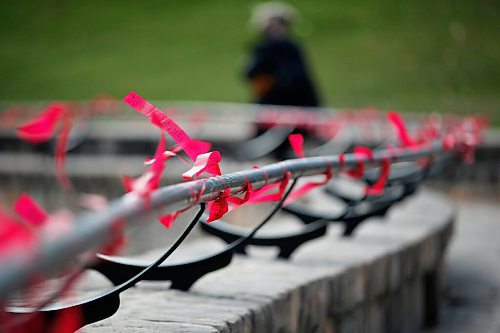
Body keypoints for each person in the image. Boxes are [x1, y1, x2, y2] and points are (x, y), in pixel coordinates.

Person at [244, 2, 320, 107]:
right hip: (268, 102)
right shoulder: (261, 49)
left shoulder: (291, 48)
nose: (274, 28)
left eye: (279, 23)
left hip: (296, 102)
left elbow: (298, 78)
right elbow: (249, 73)